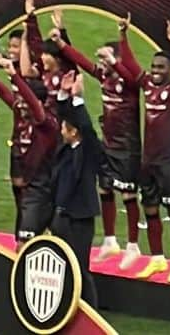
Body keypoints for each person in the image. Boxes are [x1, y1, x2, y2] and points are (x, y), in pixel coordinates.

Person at [59, 20, 143, 270]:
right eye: (104, 62)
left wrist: (119, 45)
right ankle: (109, 241)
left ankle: (133, 246)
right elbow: (84, 62)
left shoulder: (129, 83)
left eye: (108, 60)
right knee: (105, 189)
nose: (104, 65)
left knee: (128, 194)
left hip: (127, 147)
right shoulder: (105, 77)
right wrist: (62, 42)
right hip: (107, 144)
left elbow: (128, 74)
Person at [118, 19, 170, 283]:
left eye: (161, 67)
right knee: (149, 209)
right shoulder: (147, 86)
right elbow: (130, 64)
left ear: (169, 70)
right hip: (148, 162)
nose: (155, 71)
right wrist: (122, 35)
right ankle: (158, 259)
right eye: (154, 67)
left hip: (169, 162)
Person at [0, 55, 59, 241]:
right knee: (23, 233)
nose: (19, 103)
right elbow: (4, 93)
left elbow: (33, 105)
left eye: (24, 99)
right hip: (28, 185)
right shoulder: (22, 112)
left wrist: (15, 77)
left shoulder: (47, 122)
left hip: (41, 191)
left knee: (27, 244)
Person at [52, 73, 103, 307]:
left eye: (65, 128)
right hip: (62, 217)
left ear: (73, 132)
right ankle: (66, 309)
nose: (61, 129)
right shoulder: (64, 150)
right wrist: (63, 96)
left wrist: (79, 99)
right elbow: (64, 119)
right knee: (61, 267)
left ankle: (90, 313)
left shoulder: (88, 150)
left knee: (79, 269)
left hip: (80, 219)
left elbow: (86, 128)